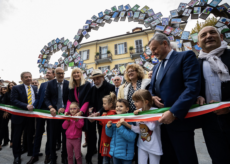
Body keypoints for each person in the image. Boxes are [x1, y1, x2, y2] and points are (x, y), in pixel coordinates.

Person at [148, 33, 200, 164]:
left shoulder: (185, 56)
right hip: (161, 123)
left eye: (154, 49)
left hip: (179, 122)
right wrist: (152, 97)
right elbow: (151, 88)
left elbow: (192, 87)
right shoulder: (155, 67)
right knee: (168, 159)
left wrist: (173, 112)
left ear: (165, 44)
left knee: (185, 159)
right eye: (151, 51)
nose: (153, 53)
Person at [196, 26, 230, 162]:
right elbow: (192, 87)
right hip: (210, 122)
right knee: (218, 158)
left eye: (212, 32)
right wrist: (197, 96)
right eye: (203, 35)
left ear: (221, 37)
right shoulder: (195, 63)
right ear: (198, 44)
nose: (208, 36)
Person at [120, 90, 162, 164]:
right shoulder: (138, 112)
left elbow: (152, 127)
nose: (134, 103)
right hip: (142, 145)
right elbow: (140, 129)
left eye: (137, 101)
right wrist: (126, 124)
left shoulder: (155, 111)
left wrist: (141, 116)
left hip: (154, 147)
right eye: (134, 101)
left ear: (145, 102)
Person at [86, 69, 115, 164]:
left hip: (105, 117)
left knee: (103, 139)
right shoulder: (92, 88)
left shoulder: (110, 87)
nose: (96, 81)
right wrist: (90, 109)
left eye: (98, 78)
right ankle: (89, 157)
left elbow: (109, 103)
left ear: (103, 77)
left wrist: (99, 112)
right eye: (94, 79)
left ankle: (101, 160)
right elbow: (91, 102)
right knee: (91, 137)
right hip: (94, 115)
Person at [27, 68, 55, 164]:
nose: (46, 74)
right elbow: (38, 98)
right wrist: (33, 106)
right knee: (38, 134)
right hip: (40, 112)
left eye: (49, 72)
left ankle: (48, 155)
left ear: (54, 75)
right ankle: (35, 155)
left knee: (50, 135)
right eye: (46, 72)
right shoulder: (42, 84)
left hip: (51, 112)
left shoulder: (57, 84)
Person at [11, 72, 37, 164]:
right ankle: (17, 156)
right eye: (26, 77)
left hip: (31, 117)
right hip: (19, 117)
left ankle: (30, 151)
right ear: (21, 79)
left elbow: (37, 100)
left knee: (30, 134)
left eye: (30, 77)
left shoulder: (34, 88)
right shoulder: (16, 88)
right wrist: (26, 106)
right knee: (17, 137)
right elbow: (13, 100)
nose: (29, 78)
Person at [45, 67, 69, 164]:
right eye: (59, 73)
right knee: (52, 138)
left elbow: (70, 99)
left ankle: (64, 157)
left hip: (65, 115)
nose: (61, 75)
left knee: (65, 137)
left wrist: (65, 108)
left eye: (62, 73)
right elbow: (46, 98)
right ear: (55, 74)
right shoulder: (50, 84)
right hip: (53, 115)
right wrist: (51, 107)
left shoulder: (68, 83)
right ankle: (53, 158)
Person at [64, 67, 91, 152]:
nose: (76, 74)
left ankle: (90, 152)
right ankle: (77, 152)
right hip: (74, 112)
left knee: (88, 132)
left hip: (85, 111)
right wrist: (67, 111)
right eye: (74, 73)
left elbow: (87, 100)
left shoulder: (87, 84)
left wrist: (81, 112)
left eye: (78, 72)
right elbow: (69, 100)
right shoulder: (71, 86)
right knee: (77, 130)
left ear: (81, 74)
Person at [106, 99, 136, 164]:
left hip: (126, 155)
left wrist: (120, 128)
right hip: (115, 153)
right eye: (117, 106)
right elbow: (110, 135)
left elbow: (131, 137)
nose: (118, 108)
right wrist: (108, 127)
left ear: (127, 109)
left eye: (121, 106)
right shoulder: (114, 119)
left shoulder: (130, 120)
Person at [99, 93, 117, 164]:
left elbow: (104, 123)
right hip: (105, 138)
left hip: (107, 139)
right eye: (103, 103)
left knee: (107, 158)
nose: (103, 105)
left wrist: (103, 117)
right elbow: (101, 124)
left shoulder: (111, 114)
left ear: (111, 104)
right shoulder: (108, 113)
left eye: (105, 103)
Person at [0, 86, 10, 151]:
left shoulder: (7, 96)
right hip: (1, 114)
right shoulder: (1, 97)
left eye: (5, 89)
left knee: (2, 127)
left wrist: (6, 111)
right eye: (2, 89)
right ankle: (6, 141)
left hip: (5, 114)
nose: (4, 90)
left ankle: (0, 143)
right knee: (4, 127)